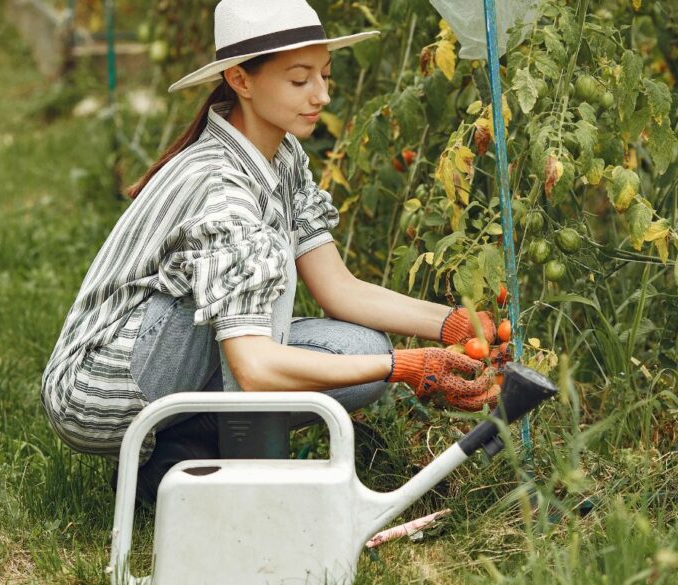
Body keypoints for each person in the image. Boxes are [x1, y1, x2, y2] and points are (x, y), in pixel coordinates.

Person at [39, 0, 503, 505]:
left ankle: (177, 457)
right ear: (241, 80)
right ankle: (249, 492)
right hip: (100, 392)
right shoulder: (221, 186)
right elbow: (255, 367)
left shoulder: (281, 158)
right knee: (277, 265)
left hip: (169, 363)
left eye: (324, 75)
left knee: (364, 353)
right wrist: (406, 366)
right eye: (299, 80)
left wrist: (453, 324)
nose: (322, 95)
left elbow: (337, 288)